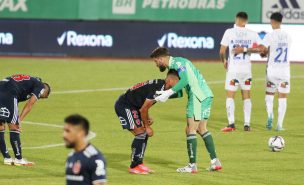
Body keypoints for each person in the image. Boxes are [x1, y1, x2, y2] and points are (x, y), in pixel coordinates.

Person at [150, 47, 222, 173]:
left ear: (160, 58)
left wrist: (169, 92)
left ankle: (192, 166)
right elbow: (180, 91)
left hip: (197, 96)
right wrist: (165, 94)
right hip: (205, 95)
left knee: (191, 130)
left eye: (156, 62)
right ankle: (215, 161)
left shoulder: (178, 63)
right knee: (201, 128)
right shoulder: (177, 64)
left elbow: (185, 80)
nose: (156, 65)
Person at [114, 69, 181, 174]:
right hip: (125, 105)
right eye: (178, 82)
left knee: (143, 134)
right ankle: (134, 166)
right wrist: (147, 126)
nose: (179, 85)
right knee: (141, 133)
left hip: (134, 106)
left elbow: (143, 103)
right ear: (170, 80)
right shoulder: (157, 88)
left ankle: (139, 163)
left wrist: (147, 118)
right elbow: (143, 109)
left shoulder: (162, 87)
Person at [233, 12, 291, 131]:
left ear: (272, 22)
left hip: (272, 71)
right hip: (284, 71)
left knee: (269, 95)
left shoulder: (270, 36)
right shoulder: (288, 36)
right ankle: (279, 125)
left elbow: (261, 49)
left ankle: (270, 115)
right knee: (282, 98)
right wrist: (266, 52)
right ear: (281, 21)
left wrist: (244, 49)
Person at [219, 12, 261, 132]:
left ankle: (231, 124)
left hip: (233, 70)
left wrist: (224, 61)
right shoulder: (252, 34)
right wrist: (245, 49)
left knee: (230, 95)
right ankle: (247, 125)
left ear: (236, 19)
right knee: (246, 95)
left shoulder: (229, 32)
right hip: (246, 70)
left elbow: (222, 51)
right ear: (246, 21)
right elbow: (261, 49)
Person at [0, 74, 50, 166]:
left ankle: (7, 158)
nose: (41, 98)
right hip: (10, 91)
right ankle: (19, 159)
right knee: (14, 126)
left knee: (0, 125)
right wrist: (19, 120)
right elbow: (29, 104)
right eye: (44, 97)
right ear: (45, 92)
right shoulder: (41, 87)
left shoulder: (29, 83)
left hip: (2, 86)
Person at [64, 114, 106, 185]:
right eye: (64, 131)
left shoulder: (94, 159)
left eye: (68, 131)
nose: (64, 135)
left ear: (80, 133)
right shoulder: (71, 157)